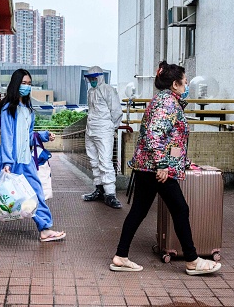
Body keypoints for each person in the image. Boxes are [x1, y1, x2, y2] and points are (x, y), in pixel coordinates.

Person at [110, 61, 221, 275]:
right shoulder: (167, 104)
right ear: (175, 85)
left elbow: (172, 140)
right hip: (157, 169)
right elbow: (154, 136)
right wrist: (162, 164)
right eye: (185, 82)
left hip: (149, 167)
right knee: (180, 209)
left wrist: (183, 162)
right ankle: (192, 260)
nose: (187, 85)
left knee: (139, 211)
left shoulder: (164, 101)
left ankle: (121, 256)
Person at [0, 68, 66, 246]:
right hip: (9, 161)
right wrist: (8, 162)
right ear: (15, 84)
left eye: (28, 83)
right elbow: (7, 136)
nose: (26, 87)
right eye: (23, 83)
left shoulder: (28, 109)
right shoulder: (7, 108)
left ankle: (45, 229)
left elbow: (28, 134)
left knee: (37, 193)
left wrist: (43, 136)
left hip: (26, 160)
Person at [82, 65, 123, 209]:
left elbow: (116, 111)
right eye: (90, 78)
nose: (92, 80)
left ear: (100, 77)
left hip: (104, 130)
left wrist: (111, 127)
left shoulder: (108, 90)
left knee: (105, 162)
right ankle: (99, 189)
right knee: (94, 161)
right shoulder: (90, 92)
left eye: (94, 78)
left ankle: (110, 194)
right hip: (91, 130)